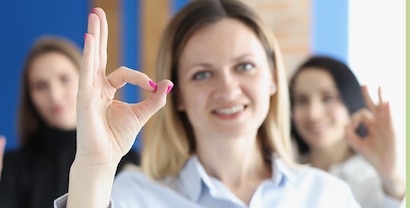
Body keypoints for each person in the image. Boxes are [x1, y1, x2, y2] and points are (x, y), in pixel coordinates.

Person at [58, 1, 361, 207]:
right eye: (202, 74)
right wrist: (94, 165)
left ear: (272, 77)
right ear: (176, 95)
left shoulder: (328, 195)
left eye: (244, 66)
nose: (228, 88)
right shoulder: (136, 196)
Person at [0, 37, 140, 208]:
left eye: (65, 79)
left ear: (86, 80)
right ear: (30, 97)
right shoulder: (9, 168)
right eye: (40, 86)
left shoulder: (130, 164)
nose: (55, 95)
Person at [290, 56, 406, 208]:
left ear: (350, 99)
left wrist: (392, 178)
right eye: (302, 100)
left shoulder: (369, 180)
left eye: (328, 98)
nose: (313, 114)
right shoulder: (284, 171)